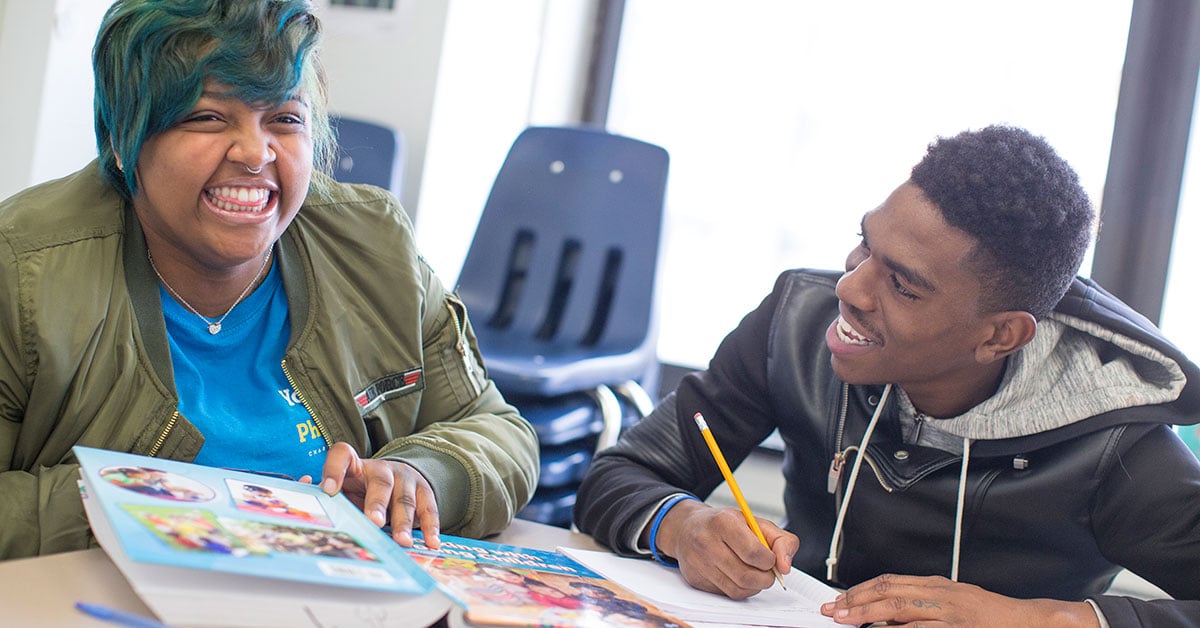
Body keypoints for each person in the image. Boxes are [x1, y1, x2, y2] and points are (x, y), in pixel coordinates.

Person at [573, 125, 1200, 627]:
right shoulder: (794, 324)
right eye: (863, 244)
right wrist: (682, 526)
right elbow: (618, 475)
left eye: (902, 285)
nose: (850, 287)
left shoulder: (1113, 440)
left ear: (1000, 335)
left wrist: (1037, 620)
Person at [0, 0, 538, 560]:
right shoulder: (23, 269)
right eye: (207, 117)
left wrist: (421, 475)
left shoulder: (377, 248)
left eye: (284, 118)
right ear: (122, 139)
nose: (256, 153)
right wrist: (130, 503)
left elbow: (495, 428)